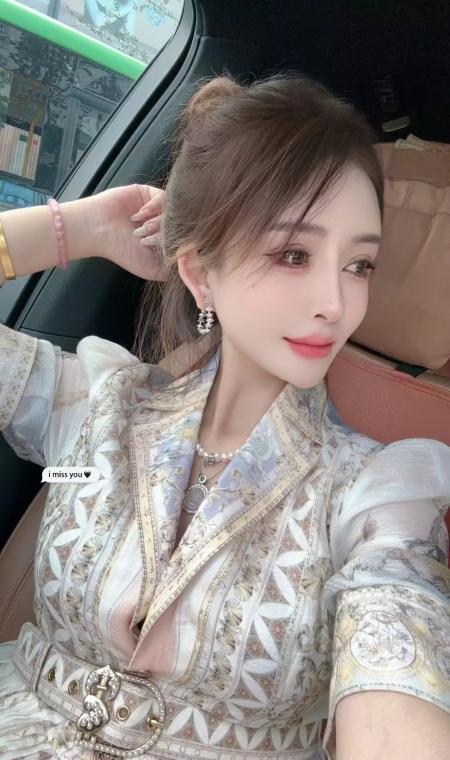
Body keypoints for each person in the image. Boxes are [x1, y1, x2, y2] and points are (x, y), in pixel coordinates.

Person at [0, 72, 449, 760]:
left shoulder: (376, 492)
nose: (336, 303)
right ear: (200, 274)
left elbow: (395, 646)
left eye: (360, 264)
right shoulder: (99, 405)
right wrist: (80, 228)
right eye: (294, 254)